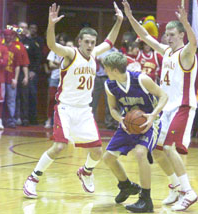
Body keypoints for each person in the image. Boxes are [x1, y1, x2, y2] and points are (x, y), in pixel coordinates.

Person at [23, 2, 123, 198]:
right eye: (86, 41)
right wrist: (51, 25)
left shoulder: (94, 54)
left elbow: (110, 41)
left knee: (96, 152)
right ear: (79, 42)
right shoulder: (71, 54)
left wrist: (119, 21)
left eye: (93, 42)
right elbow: (52, 45)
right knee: (59, 146)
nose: (90, 45)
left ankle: (85, 172)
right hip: (66, 109)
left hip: (84, 110)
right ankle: (33, 178)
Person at [123, 0, 198, 211]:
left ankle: (188, 192)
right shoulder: (166, 51)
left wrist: (185, 22)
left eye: (173, 33)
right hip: (166, 109)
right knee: (155, 150)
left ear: (181, 35)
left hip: (182, 107)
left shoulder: (186, 53)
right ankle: (175, 187)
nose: (168, 36)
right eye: (167, 33)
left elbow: (193, 43)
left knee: (168, 147)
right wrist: (130, 17)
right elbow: (145, 36)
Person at [102, 52, 168, 213]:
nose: (105, 72)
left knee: (140, 153)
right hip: (128, 122)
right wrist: (120, 120)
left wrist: (153, 115)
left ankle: (146, 199)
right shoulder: (110, 85)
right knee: (108, 158)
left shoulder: (141, 79)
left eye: (106, 69)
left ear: (115, 70)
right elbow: (112, 108)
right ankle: (126, 186)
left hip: (149, 121)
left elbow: (163, 95)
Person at [91, 47, 118, 130]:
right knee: (93, 101)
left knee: (109, 101)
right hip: (97, 77)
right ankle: (91, 121)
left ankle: (109, 123)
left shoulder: (115, 51)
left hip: (109, 77)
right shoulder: (98, 50)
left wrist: (104, 62)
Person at [44, 33, 67, 129]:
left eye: (63, 40)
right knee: (51, 99)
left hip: (65, 79)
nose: (61, 41)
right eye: (60, 40)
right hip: (54, 77)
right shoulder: (54, 51)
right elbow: (50, 65)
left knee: (63, 101)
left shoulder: (68, 52)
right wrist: (60, 64)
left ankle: (61, 122)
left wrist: (58, 64)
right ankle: (49, 119)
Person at [3, 29, 22, 128]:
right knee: (1, 100)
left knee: (11, 100)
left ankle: (11, 120)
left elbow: (18, 66)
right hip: (1, 78)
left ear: (12, 36)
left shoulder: (15, 48)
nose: (7, 37)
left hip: (11, 78)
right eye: (5, 35)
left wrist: (16, 79)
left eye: (9, 35)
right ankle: (1, 119)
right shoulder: (1, 47)